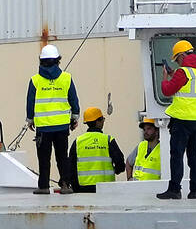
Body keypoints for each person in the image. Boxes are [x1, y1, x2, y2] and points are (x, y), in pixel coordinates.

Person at [157, 39, 196, 200]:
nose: (178, 63)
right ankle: (195, 191)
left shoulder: (184, 72)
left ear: (181, 55)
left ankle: (174, 189)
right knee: (194, 155)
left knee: (177, 154)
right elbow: (190, 85)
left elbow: (167, 90)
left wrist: (165, 78)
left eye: (177, 59)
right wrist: (175, 75)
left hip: (183, 120)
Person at [26, 44, 79, 195]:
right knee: (63, 157)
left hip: (43, 128)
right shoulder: (66, 78)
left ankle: (43, 187)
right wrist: (74, 117)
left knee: (44, 159)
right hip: (62, 127)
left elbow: (30, 102)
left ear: (41, 61)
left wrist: (30, 120)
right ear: (58, 60)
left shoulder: (35, 80)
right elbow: (73, 100)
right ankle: (66, 185)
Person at [69, 106, 124, 193]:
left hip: (83, 189)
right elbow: (120, 163)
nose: (103, 122)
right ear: (98, 121)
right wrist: (116, 170)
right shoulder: (108, 140)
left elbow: (71, 167)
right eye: (102, 119)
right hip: (106, 188)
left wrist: (76, 188)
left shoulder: (78, 141)